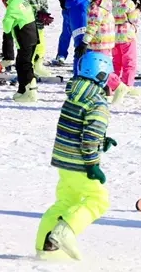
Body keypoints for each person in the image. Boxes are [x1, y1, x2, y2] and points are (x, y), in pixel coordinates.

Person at [35, 52, 114, 261]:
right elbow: (89, 136)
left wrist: (101, 142)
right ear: (101, 76)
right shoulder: (97, 102)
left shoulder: (74, 95)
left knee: (65, 201)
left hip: (64, 160)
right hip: (80, 163)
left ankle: (45, 247)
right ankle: (64, 232)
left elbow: (75, 128)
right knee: (98, 199)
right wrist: (92, 164)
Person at [82, 0, 132, 104]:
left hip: (100, 41)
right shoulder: (106, 3)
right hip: (106, 40)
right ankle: (107, 91)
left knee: (101, 69)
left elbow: (93, 25)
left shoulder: (96, 8)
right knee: (103, 66)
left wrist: (84, 42)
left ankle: (119, 87)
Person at [0, 0, 40, 103]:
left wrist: (8, 26)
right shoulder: (23, 2)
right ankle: (22, 90)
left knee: (24, 65)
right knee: (22, 64)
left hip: (25, 39)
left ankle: (31, 92)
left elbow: (6, 25)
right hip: (33, 37)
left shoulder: (12, 4)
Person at [110, 0, 141, 89]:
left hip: (113, 36)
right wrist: (139, 9)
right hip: (127, 36)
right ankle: (127, 85)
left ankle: (113, 84)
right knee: (129, 61)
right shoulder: (128, 3)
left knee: (116, 62)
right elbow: (132, 17)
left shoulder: (109, 1)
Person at [55, 0, 90, 67]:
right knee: (65, 34)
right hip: (68, 13)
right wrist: (62, 2)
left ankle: (83, 57)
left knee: (81, 35)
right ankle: (61, 55)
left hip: (81, 15)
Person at [23, 0, 54, 78]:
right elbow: (25, 9)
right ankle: (29, 67)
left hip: (39, 25)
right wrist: (36, 14)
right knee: (32, 47)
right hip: (30, 25)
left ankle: (38, 65)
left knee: (41, 46)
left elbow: (44, 4)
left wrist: (44, 14)